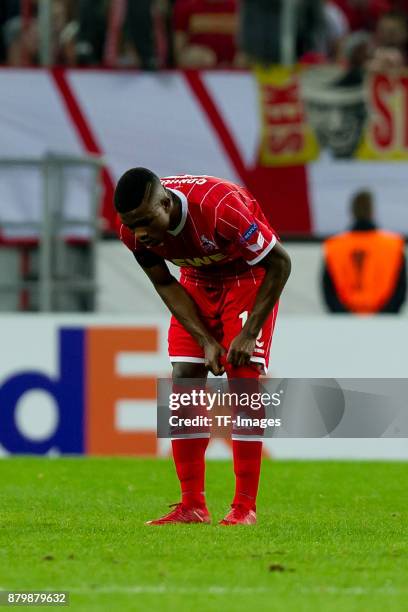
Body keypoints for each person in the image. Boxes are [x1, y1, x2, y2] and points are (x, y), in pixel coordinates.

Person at [114, 168, 291, 525]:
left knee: (242, 381)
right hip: (195, 281)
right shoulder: (133, 233)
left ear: (165, 203)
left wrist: (249, 332)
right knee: (184, 380)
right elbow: (164, 283)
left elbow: (280, 263)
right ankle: (192, 505)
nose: (141, 233)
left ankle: (245, 507)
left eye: (146, 221)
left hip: (247, 277)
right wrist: (206, 341)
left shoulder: (221, 208)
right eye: (133, 225)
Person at [322, 190, 406, 313]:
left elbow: (328, 291)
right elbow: (400, 290)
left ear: (352, 212)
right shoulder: (393, 245)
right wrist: (384, 316)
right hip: (385, 324)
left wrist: (344, 316)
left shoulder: (335, 246)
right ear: (372, 212)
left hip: (345, 324)